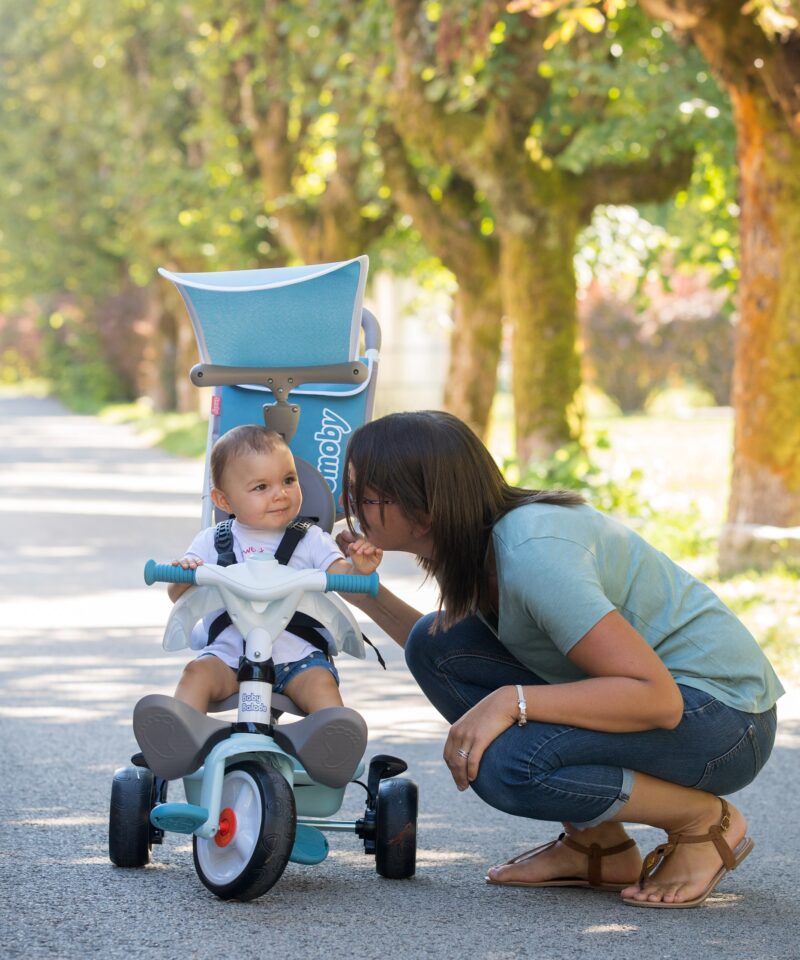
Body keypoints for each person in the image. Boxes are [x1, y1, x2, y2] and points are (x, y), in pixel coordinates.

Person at [337, 410, 784, 909]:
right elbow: (447, 655)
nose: (349, 506)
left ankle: (701, 822)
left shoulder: (533, 555)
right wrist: (365, 592)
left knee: (508, 764)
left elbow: (659, 701)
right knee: (433, 643)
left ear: (425, 511)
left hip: (723, 721)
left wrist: (511, 702)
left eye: (366, 497)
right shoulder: (472, 544)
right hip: (680, 704)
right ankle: (598, 844)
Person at [169, 424, 381, 716]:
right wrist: (184, 575)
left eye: (288, 480)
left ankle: (332, 745)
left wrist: (360, 569)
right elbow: (176, 595)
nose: (280, 494)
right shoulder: (212, 540)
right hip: (229, 658)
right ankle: (177, 740)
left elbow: (343, 578)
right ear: (223, 500)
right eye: (261, 487)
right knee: (195, 674)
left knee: (321, 684)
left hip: (297, 660)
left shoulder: (310, 538)